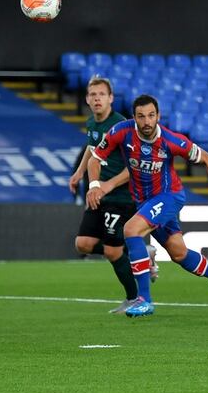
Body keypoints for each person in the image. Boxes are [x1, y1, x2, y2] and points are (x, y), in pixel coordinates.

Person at [86, 94, 208, 318]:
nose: (146, 121)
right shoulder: (121, 132)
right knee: (179, 254)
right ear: (134, 117)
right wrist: (94, 185)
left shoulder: (171, 140)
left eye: (151, 116)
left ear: (158, 116)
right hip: (145, 202)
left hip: (169, 196)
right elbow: (94, 158)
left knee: (131, 229)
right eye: (141, 116)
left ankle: (144, 299)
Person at [67, 77, 157, 313]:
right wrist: (78, 174)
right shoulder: (92, 124)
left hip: (120, 197)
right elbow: (91, 150)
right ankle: (139, 253)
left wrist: (106, 184)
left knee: (111, 251)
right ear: (87, 99)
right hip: (99, 194)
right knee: (83, 244)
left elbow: (134, 166)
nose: (96, 98)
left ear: (111, 99)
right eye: (92, 94)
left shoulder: (122, 126)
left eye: (101, 94)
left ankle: (134, 298)